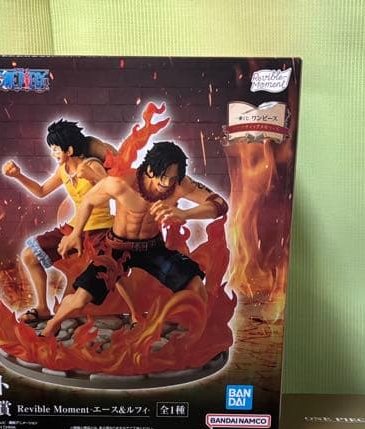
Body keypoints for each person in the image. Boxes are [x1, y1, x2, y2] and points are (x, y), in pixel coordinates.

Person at [43, 141, 228, 339]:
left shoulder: (180, 184)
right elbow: (88, 200)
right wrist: (75, 234)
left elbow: (219, 204)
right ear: (149, 169)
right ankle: (51, 325)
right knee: (81, 298)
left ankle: (202, 335)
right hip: (117, 246)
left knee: (195, 284)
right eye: (163, 176)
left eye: (172, 178)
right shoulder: (121, 182)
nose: (167, 184)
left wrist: (185, 214)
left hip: (152, 246)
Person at [2, 120, 117, 324]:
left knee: (111, 272)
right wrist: (18, 175)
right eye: (52, 149)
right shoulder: (63, 170)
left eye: (55, 148)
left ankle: (132, 313)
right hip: (73, 227)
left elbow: (115, 190)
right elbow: (41, 191)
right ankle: (42, 308)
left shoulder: (92, 165)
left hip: (100, 229)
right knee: (29, 255)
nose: (52, 153)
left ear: (69, 150)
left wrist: (94, 176)